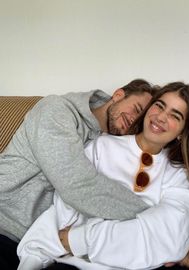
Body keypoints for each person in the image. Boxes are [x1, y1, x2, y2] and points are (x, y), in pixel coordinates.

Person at [17, 82, 189, 270]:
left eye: (175, 115)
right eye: (159, 106)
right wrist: (148, 226)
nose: (161, 117)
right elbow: (66, 208)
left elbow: (171, 233)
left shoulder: (178, 175)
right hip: (79, 264)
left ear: (183, 133)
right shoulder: (102, 146)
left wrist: (82, 239)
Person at [0, 79, 157, 270]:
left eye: (140, 123)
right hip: (4, 225)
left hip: (42, 247)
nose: (134, 121)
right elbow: (78, 186)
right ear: (118, 95)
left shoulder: (114, 146)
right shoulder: (56, 110)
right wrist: (158, 225)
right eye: (137, 109)